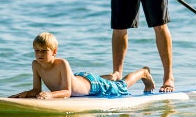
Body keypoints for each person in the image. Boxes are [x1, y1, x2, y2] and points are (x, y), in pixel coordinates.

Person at [9, 32, 155, 99]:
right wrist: (25, 94)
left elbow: (67, 92)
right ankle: (112, 76)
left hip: (92, 84)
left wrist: (50, 95)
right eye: (36, 51)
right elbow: (36, 89)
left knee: (121, 87)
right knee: (112, 81)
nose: (39, 54)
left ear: (54, 52)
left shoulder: (62, 63)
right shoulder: (36, 65)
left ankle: (143, 72)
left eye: (44, 51)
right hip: (79, 78)